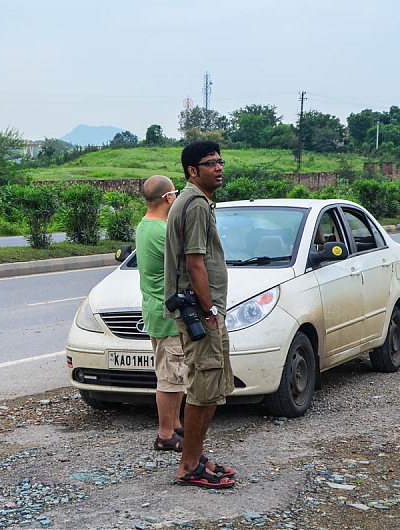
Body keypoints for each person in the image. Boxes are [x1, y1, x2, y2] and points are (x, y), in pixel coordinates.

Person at [164, 140, 236, 489]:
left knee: (214, 386)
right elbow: (194, 264)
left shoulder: (200, 202)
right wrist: (209, 310)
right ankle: (188, 464)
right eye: (210, 163)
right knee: (203, 386)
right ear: (192, 171)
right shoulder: (193, 204)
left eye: (220, 161)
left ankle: (196, 455)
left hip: (207, 312)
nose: (218, 167)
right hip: (199, 312)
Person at [135, 175, 187, 452]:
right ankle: (165, 433)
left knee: (173, 374)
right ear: (168, 198)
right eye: (175, 194)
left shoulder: (145, 227)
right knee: (170, 378)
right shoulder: (161, 232)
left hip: (155, 310)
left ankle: (176, 424)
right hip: (168, 315)